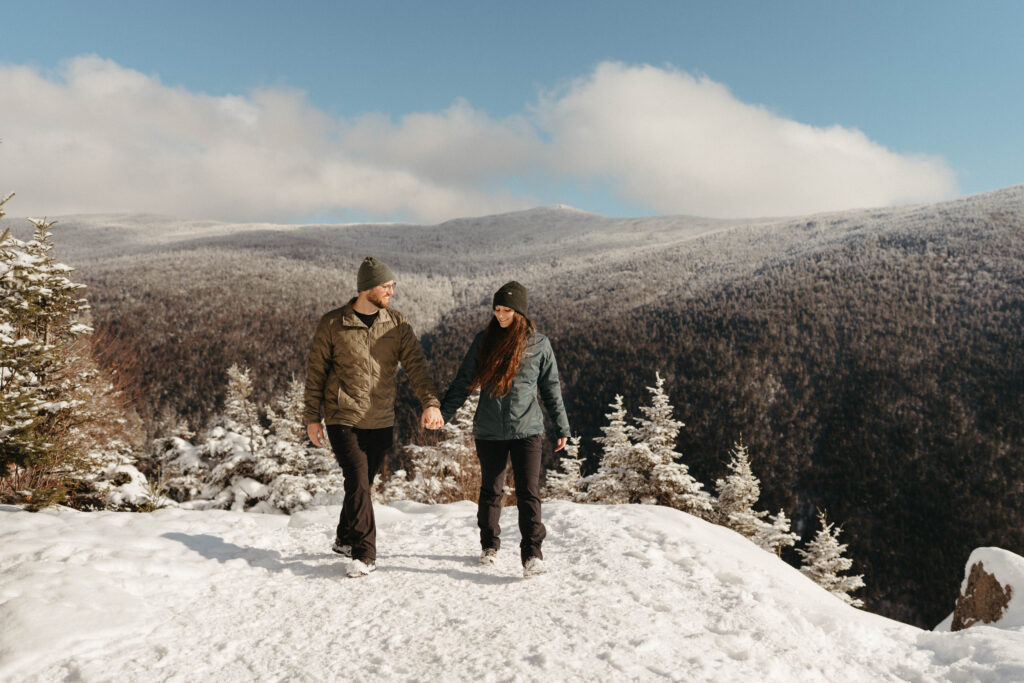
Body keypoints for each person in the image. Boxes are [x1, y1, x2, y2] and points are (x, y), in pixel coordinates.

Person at [304, 256, 443, 578]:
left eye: (392, 285)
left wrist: (430, 403)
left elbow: (416, 368)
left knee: (362, 484)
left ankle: (343, 537)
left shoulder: (396, 324)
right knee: (357, 481)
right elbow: (316, 373)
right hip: (343, 415)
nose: (391, 292)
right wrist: (312, 417)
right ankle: (364, 554)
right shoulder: (333, 323)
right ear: (367, 288)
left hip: (381, 417)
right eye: (386, 286)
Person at [441, 281, 570, 577]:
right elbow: (463, 381)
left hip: (528, 429)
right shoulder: (483, 341)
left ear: (520, 312)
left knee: (528, 492)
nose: (500, 315)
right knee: (491, 490)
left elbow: (551, 388)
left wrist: (562, 426)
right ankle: (489, 546)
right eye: (497, 309)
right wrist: (443, 414)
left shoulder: (539, 344)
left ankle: (532, 555)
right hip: (489, 429)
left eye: (507, 310)